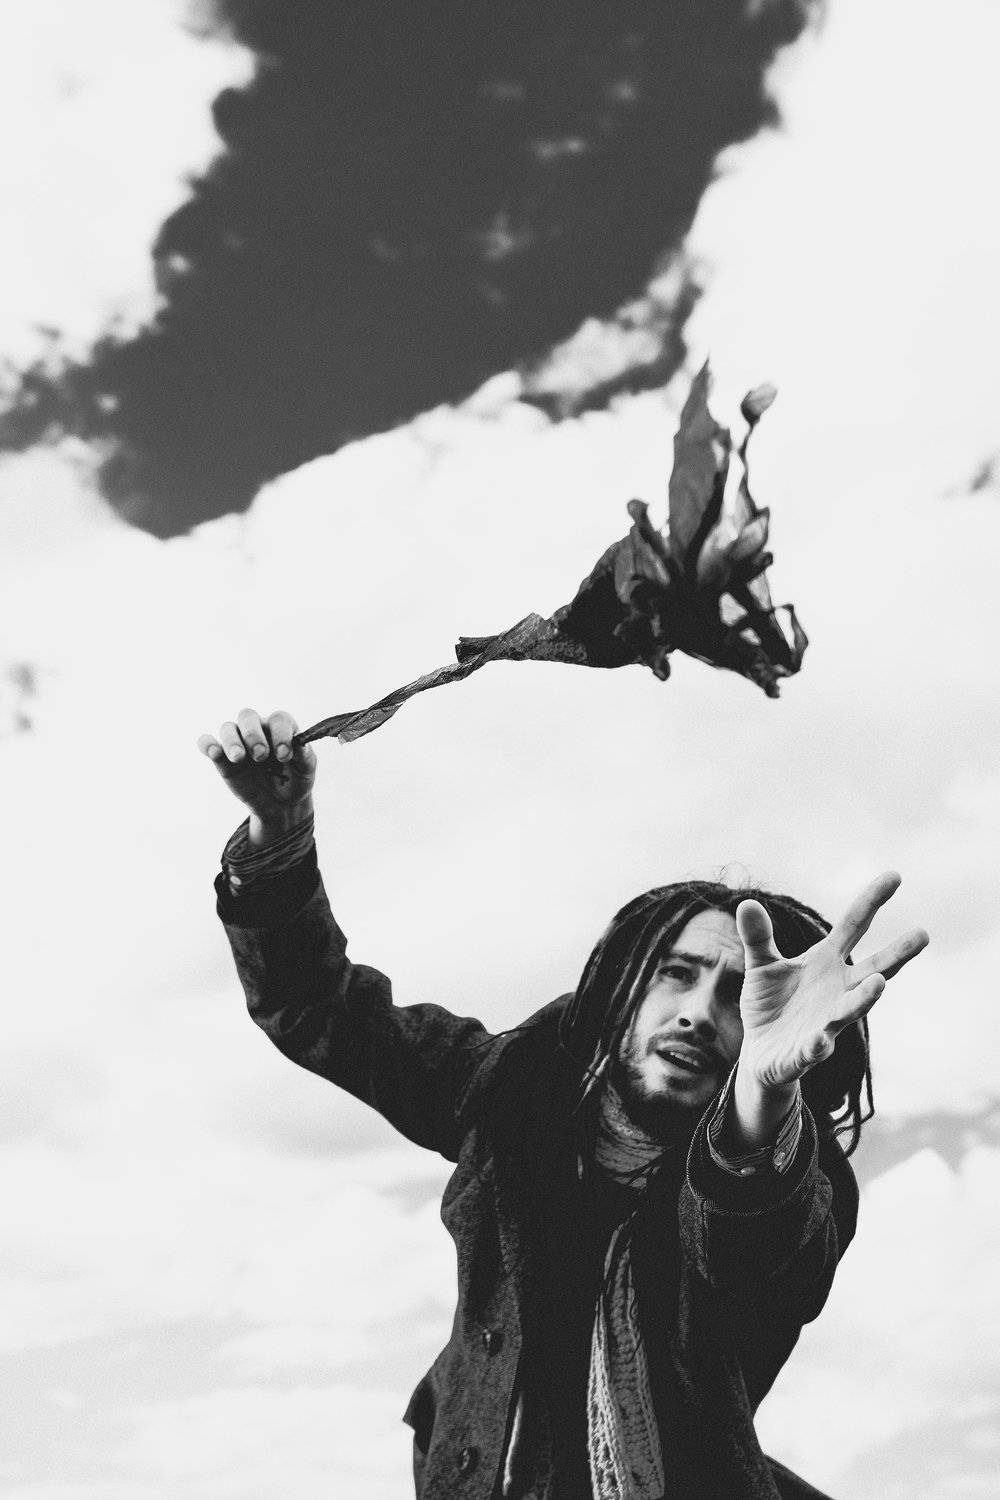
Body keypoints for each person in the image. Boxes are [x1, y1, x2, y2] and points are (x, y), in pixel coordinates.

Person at [199, 707, 928, 1500]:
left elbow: (747, 1253)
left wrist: (761, 1088)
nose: (697, 1013)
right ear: (622, 990)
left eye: (737, 996)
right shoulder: (512, 1088)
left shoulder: (797, 1185)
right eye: (676, 974)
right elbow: (321, 1010)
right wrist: (279, 837)